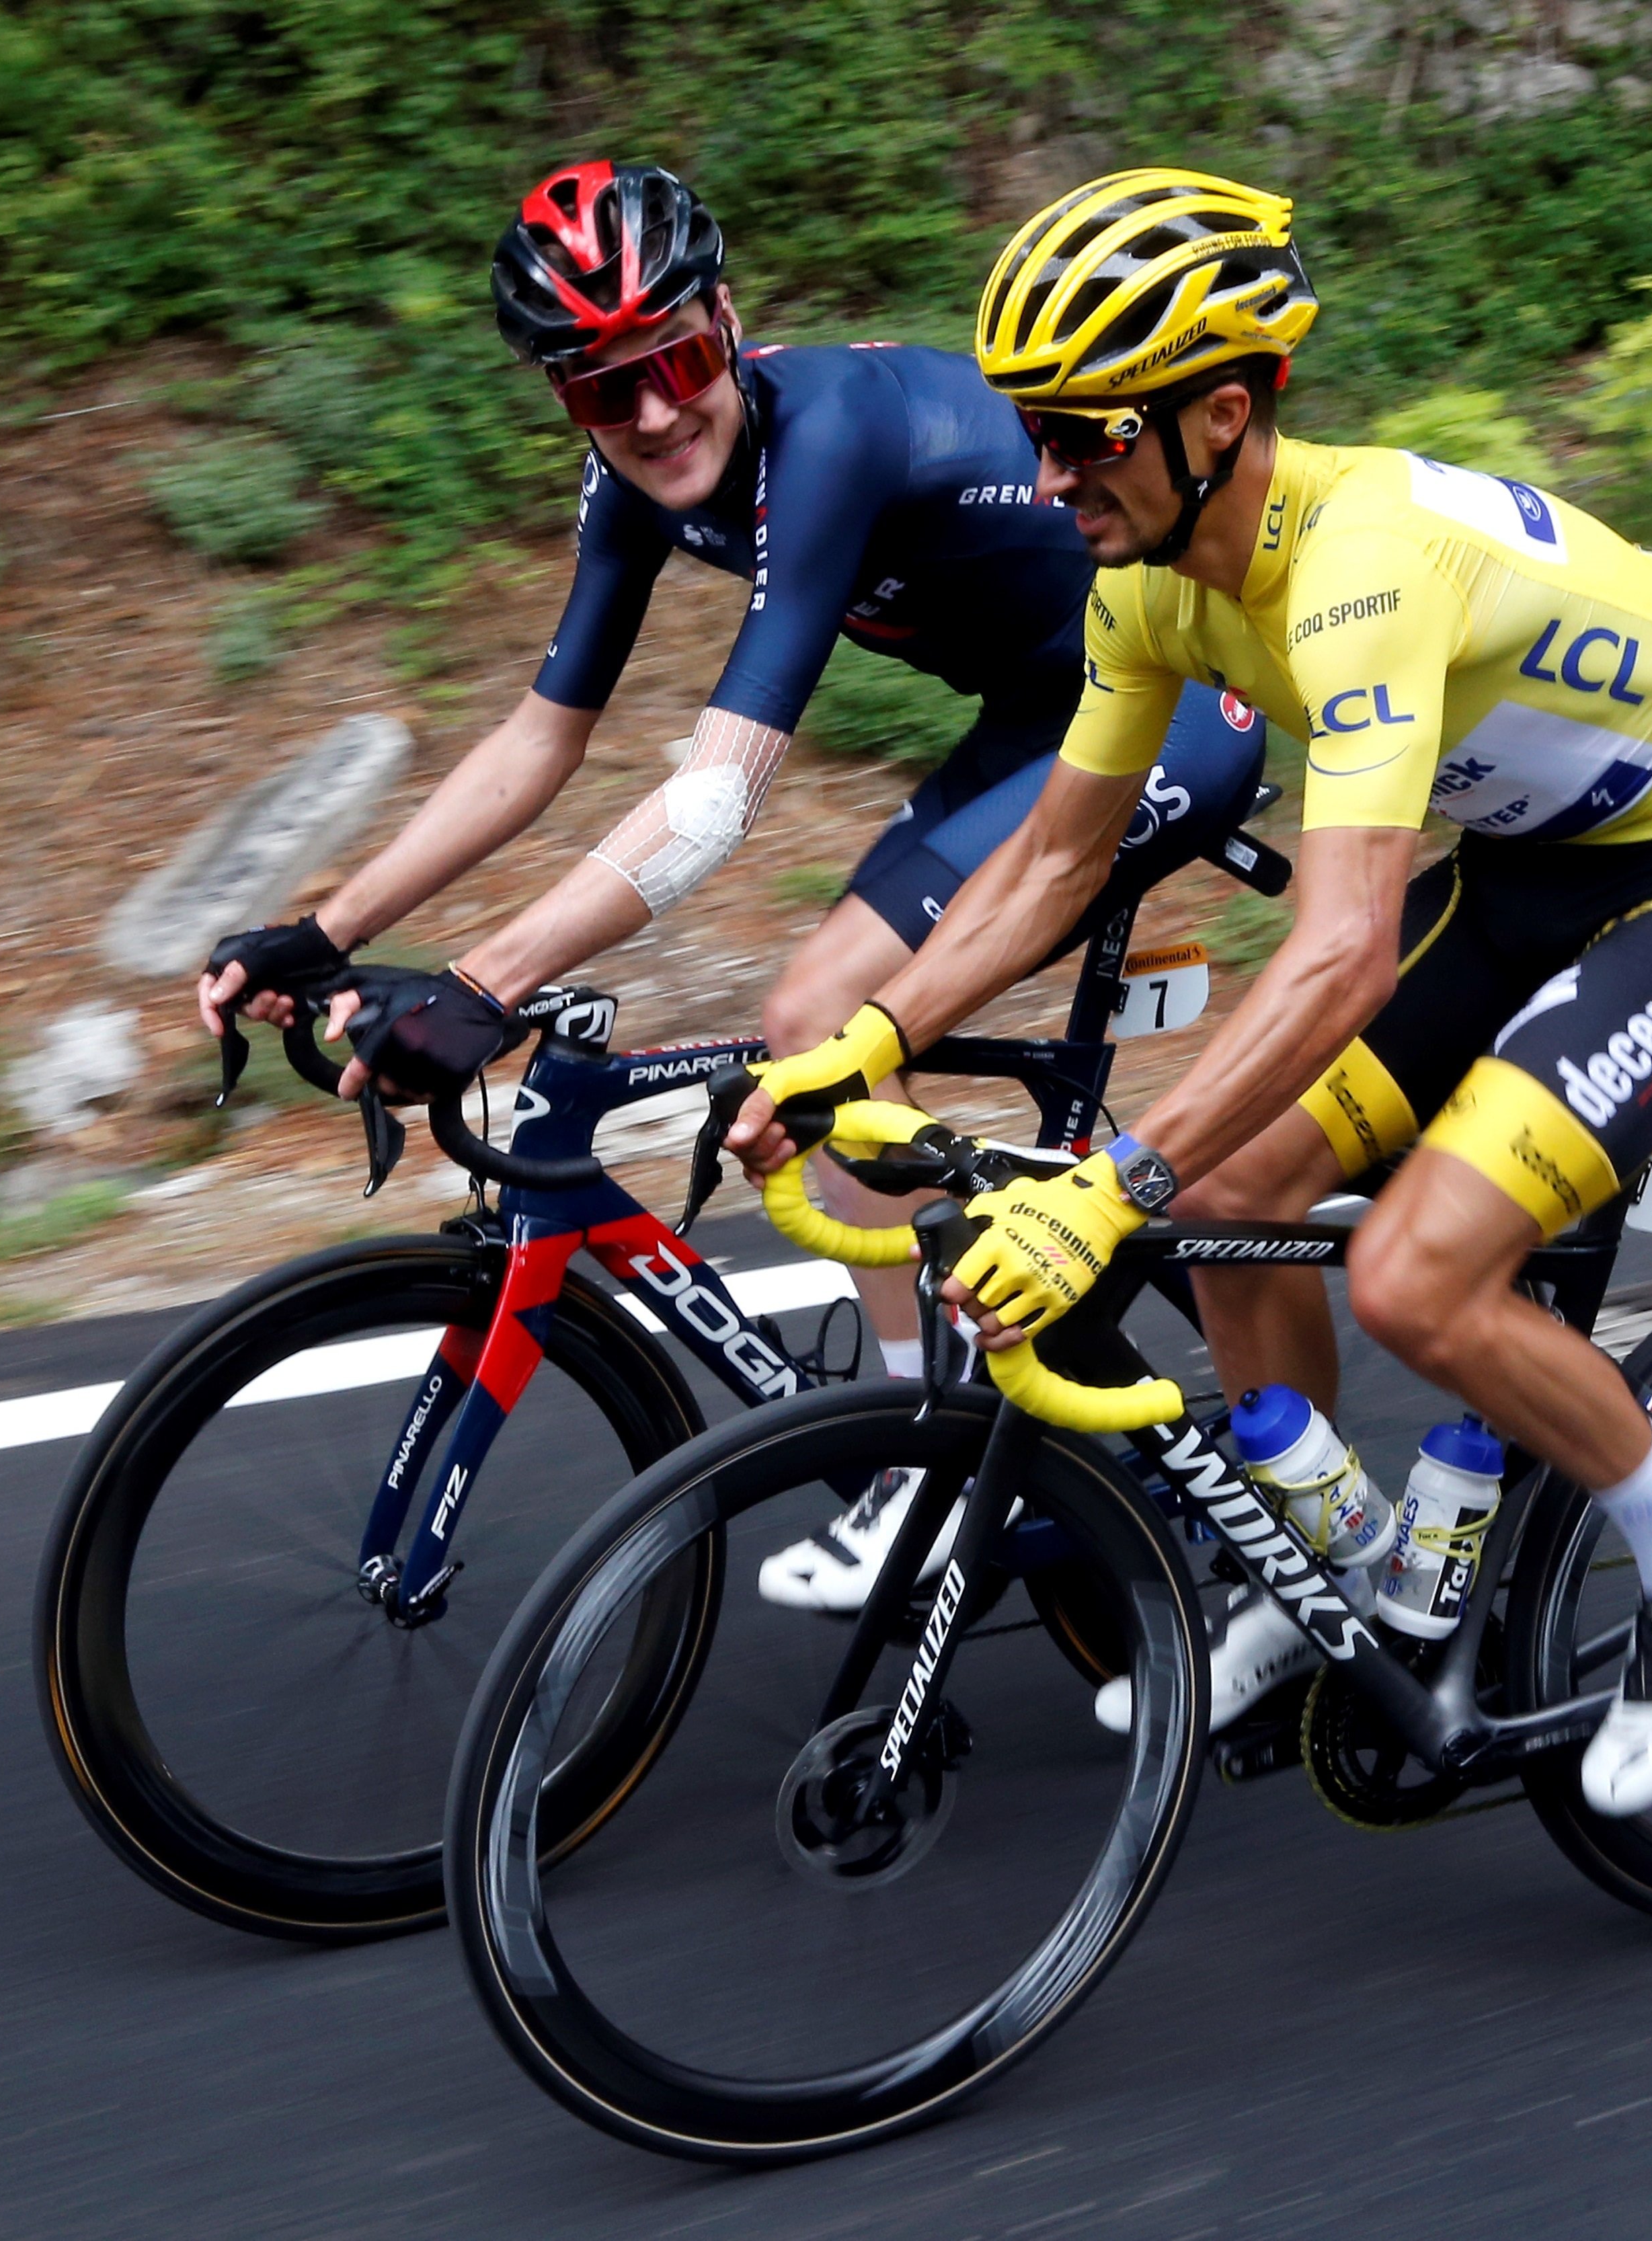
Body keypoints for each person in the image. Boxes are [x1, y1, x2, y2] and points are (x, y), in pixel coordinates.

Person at [734, 169, 1652, 1819]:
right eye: (1032, 427)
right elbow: (1043, 867)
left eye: (1084, 431)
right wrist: (866, 1040)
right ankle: (1336, 1567)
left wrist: (1107, 1187)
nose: (1044, 473)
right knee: (1235, 1186)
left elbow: (1338, 952)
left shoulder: (1360, 574)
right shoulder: (1149, 579)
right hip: (1536, 865)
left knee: (1414, 1275)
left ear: (1220, 416)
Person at [194, 160, 1264, 1612]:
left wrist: (479, 986)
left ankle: (915, 1466)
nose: (649, 414)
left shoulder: (825, 435)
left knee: (819, 1014)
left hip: (1183, 697)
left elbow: (712, 803)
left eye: (675, 363)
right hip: (1045, 712)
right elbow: (540, 736)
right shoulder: (632, 478)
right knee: (824, 1032)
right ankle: (962, 1418)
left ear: (728, 321)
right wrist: (325, 931)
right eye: (597, 390)